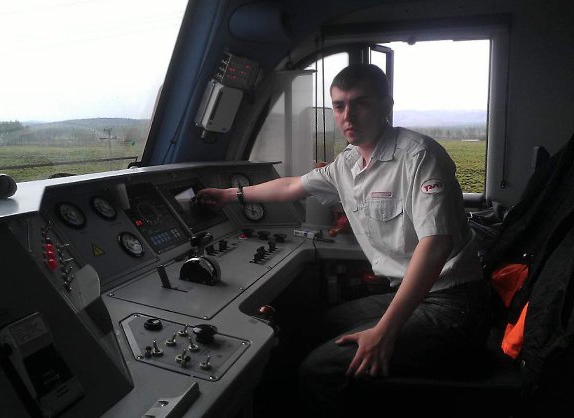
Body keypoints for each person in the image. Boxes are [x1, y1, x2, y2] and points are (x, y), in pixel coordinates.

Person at [196, 64, 491, 415]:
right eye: (339, 105)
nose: (347, 115)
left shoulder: (419, 155)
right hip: (412, 295)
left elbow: (436, 244)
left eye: (360, 103)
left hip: (454, 305)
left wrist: (385, 331)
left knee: (319, 370)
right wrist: (229, 195)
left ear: (386, 106)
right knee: (309, 330)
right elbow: (292, 186)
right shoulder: (347, 164)